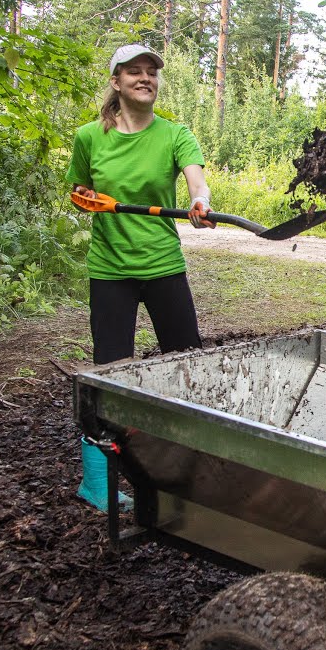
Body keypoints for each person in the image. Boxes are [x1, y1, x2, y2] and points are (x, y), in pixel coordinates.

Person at [66, 43, 214, 511]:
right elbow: (78, 189)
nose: (145, 77)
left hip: (163, 264)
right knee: (111, 374)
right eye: (135, 71)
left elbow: (197, 180)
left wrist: (200, 201)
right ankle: (98, 482)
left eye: (152, 71)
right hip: (110, 270)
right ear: (116, 81)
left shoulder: (174, 134)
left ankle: (193, 466)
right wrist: (84, 197)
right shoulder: (90, 137)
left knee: (189, 363)